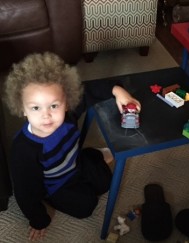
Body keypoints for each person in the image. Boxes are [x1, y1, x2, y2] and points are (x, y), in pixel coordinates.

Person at [3, 52, 141, 241]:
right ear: (22, 109)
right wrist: (38, 220)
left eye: (54, 106)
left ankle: (93, 155)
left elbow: (89, 90)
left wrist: (117, 90)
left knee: (105, 182)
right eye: (36, 108)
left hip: (75, 162)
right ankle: (57, 193)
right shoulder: (23, 150)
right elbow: (25, 191)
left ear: (67, 103)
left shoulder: (68, 115)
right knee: (86, 206)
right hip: (55, 184)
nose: (46, 115)